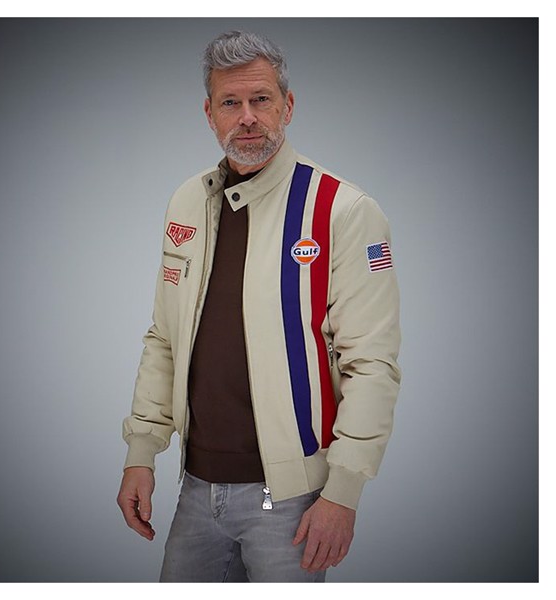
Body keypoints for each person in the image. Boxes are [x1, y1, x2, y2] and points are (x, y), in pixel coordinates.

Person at [116, 30, 401, 583]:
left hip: (292, 501)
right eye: (230, 102)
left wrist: (343, 492)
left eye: (261, 99)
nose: (247, 117)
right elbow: (164, 339)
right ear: (209, 114)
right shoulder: (188, 202)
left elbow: (372, 364)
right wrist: (141, 452)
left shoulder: (343, 210)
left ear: (287, 106)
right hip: (195, 490)